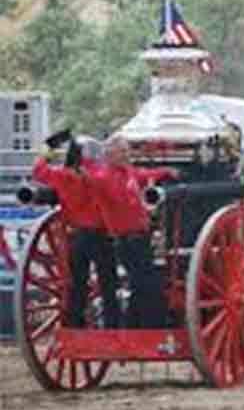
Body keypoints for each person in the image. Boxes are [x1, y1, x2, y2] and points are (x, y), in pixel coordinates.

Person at [32, 131, 122, 328]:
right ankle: (113, 325)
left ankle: (74, 327)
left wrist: (48, 147)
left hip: (76, 236)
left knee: (77, 284)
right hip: (101, 235)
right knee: (108, 283)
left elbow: (38, 170)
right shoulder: (102, 174)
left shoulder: (64, 176)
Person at [87, 136, 179, 328]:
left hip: (139, 236)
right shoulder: (102, 178)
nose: (126, 155)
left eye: (126, 151)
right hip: (127, 239)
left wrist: (166, 172)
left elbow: (143, 175)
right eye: (122, 152)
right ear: (109, 155)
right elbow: (90, 180)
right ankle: (142, 325)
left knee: (144, 281)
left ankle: (138, 324)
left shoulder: (127, 172)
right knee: (145, 282)